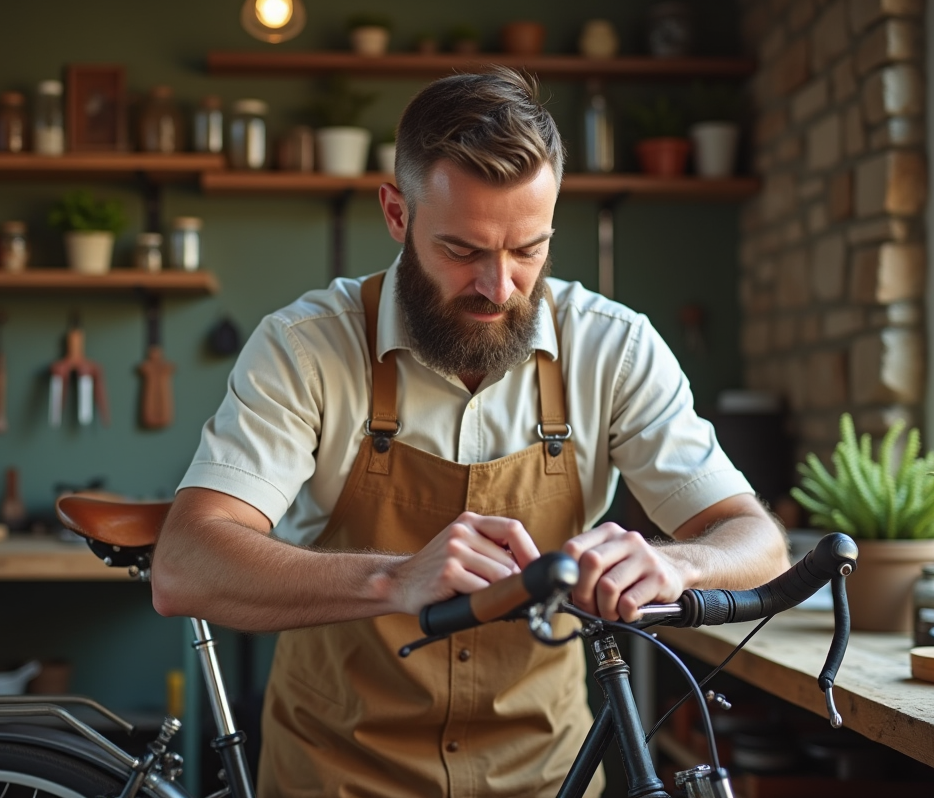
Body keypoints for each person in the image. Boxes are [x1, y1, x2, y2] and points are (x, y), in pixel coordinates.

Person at [152, 67, 789, 798]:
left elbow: (756, 541)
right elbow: (184, 565)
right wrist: (392, 580)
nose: (499, 286)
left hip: (546, 775)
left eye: (528, 250)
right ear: (397, 213)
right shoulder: (306, 348)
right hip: (337, 774)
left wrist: (682, 566)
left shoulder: (614, 348)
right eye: (462, 251)